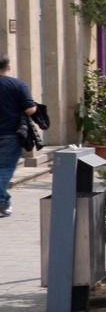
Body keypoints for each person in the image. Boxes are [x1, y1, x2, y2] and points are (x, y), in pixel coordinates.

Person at [0, 55, 39, 219]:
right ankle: (2, 202)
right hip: (10, 133)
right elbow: (30, 109)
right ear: (8, 67)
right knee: (5, 168)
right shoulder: (18, 85)